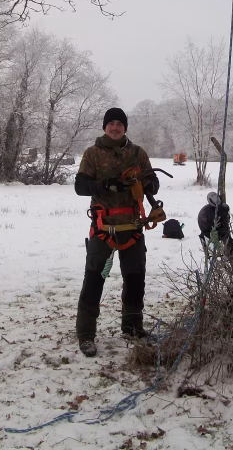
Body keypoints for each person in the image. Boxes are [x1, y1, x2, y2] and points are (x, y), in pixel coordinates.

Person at [73, 107, 159, 357]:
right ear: (104, 127)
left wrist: (150, 183)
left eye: (119, 124)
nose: (115, 127)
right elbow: (80, 186)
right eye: (110, 123)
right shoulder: (93, 153)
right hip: (103, 230)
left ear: (125, 128)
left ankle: (132, 328)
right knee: (94, 280)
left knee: (135, 280)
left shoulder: (137, 153)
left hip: (133, 229)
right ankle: (86, 335)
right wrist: (104, 184)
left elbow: (152, 181)